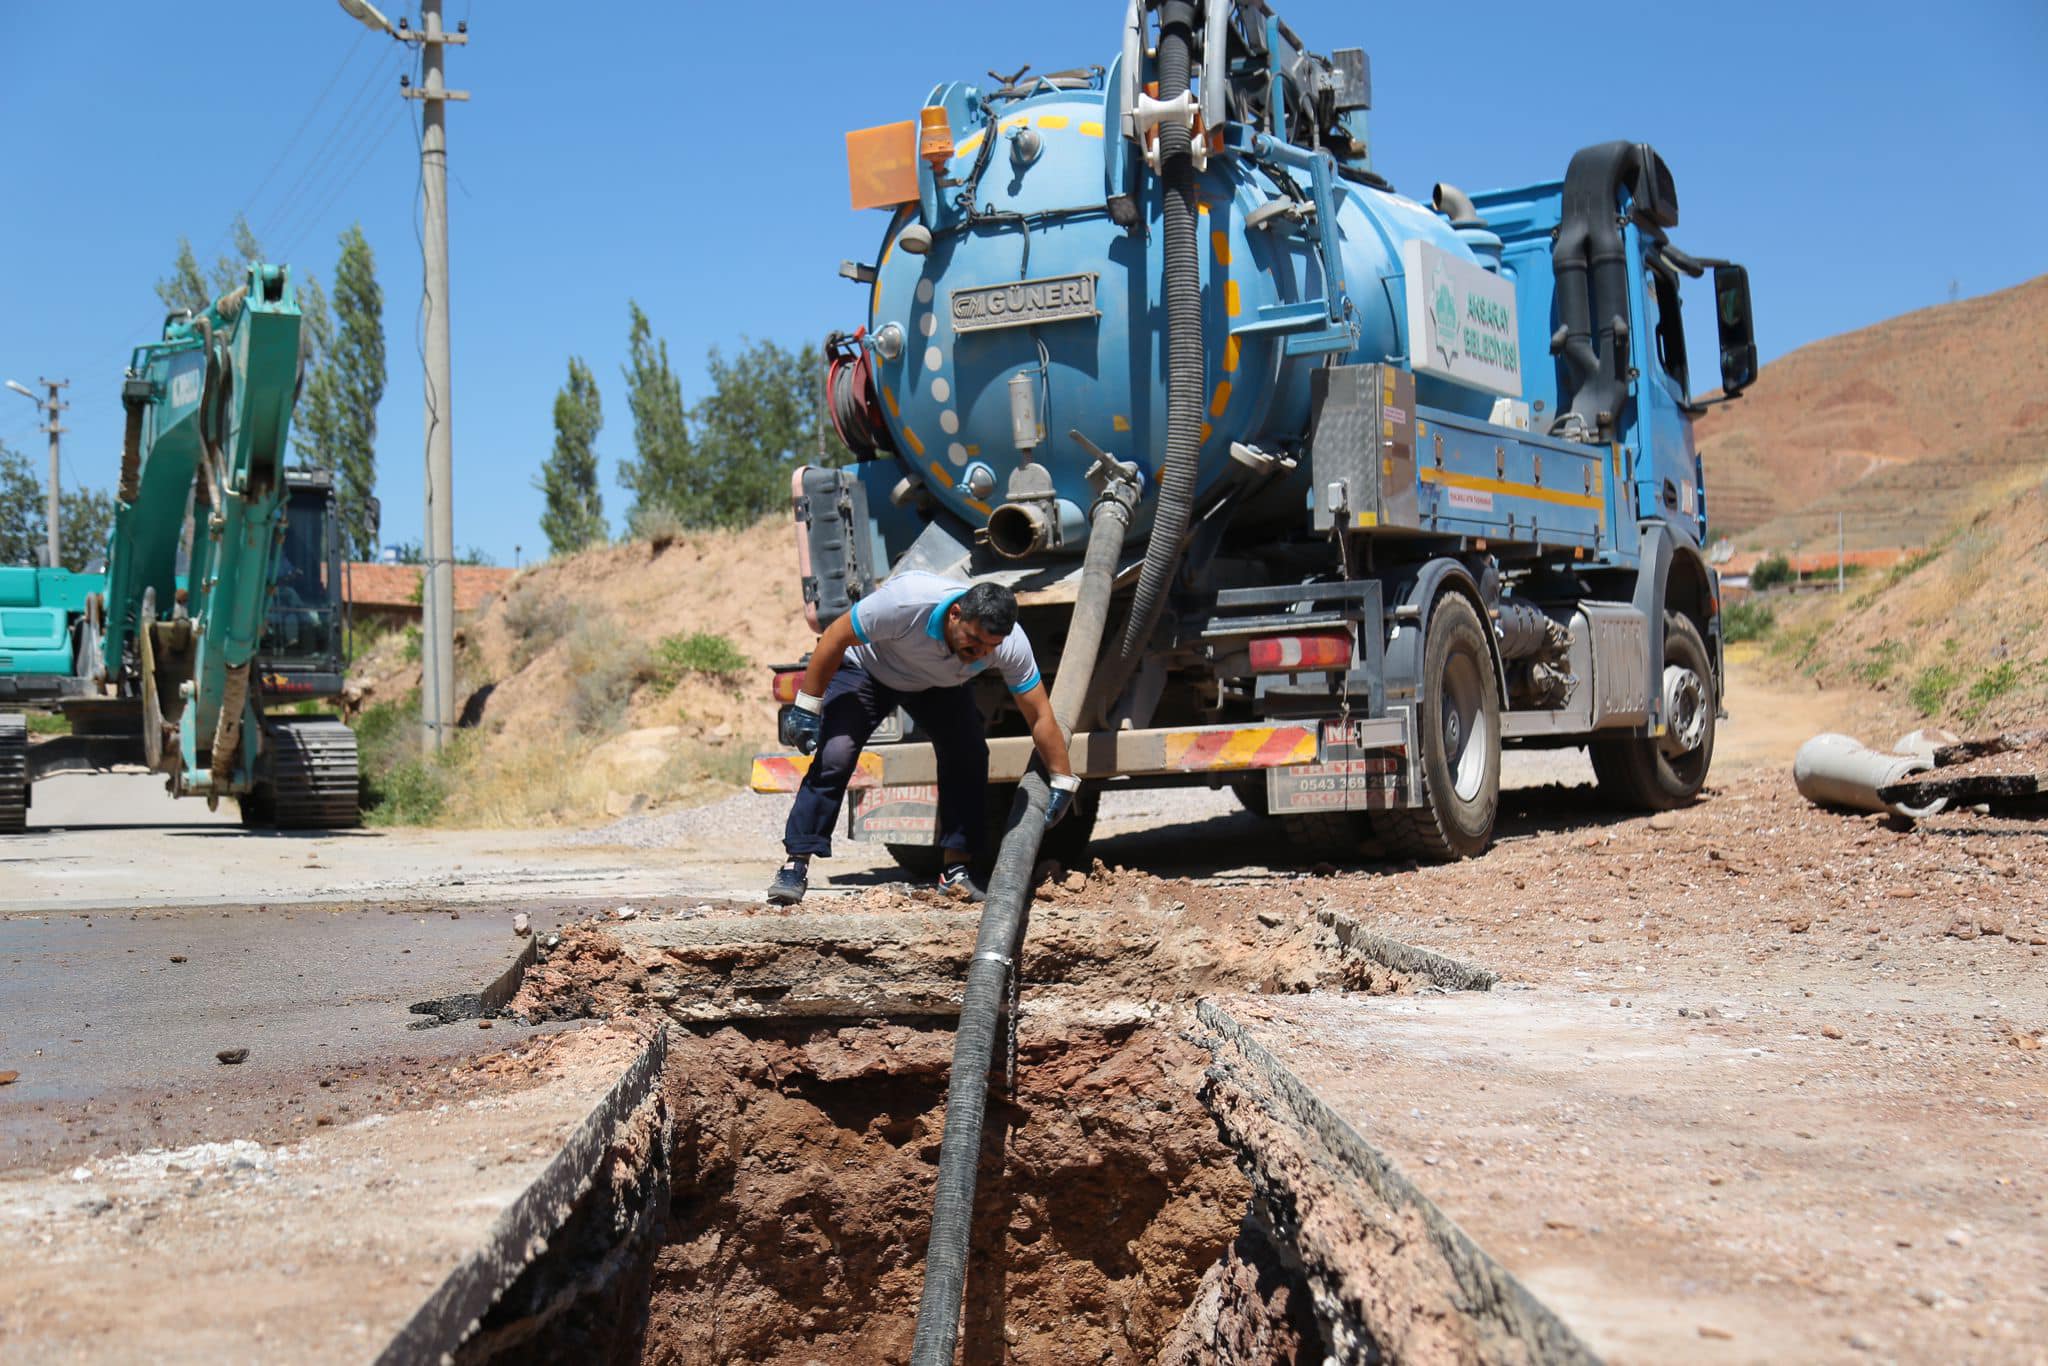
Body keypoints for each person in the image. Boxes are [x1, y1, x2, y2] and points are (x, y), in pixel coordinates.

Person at [769, 573, 1080, 905]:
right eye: (974, 642)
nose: (980, 654)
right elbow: (835, 637)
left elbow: (1039, 713)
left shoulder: (1010, 644)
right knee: (836, 754)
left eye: (991, 648)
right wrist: (807, 706)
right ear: (955, 614)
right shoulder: (906, 602)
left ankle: (956, 872)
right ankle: (795, 864)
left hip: (938, 686)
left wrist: (1063, 778)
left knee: (969, 754)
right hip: (869, 671)